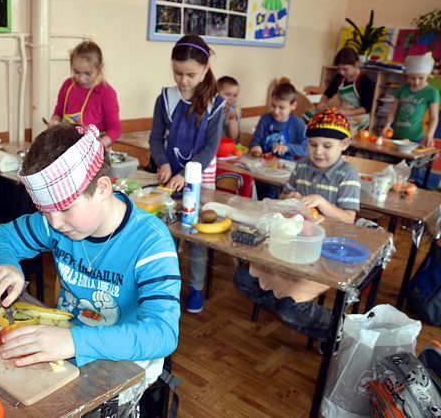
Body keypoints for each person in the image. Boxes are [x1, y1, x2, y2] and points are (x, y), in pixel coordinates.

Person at [0, 123, 181, 402]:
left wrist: (73, 341)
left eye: (64, 208)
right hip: (65, 344)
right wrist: (6, 263)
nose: (55, 223)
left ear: (103, 188)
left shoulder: (150, 242)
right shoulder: (57, 223)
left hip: (126, 360)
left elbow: (162, 334)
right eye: (45, 211)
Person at [233, 109, 360, 343]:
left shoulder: (347, 173)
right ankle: (285, 305)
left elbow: (348, 219)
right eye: (312, 144)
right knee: (243, 278)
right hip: (292, 244)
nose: (318, 152)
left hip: (323, 252)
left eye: (327, 146)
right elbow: (284, 199)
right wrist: (289, 198)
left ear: (344, 145)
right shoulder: (301, 167)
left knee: (289, 308)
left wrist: (321, 202)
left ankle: (336, 329)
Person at [149, 34, 225, 313]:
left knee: (195, 236)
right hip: (169, 178)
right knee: (165, 231)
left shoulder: (216, 105)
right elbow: (156, 138)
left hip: (199, 179)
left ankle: (194, 288)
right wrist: (163, 162)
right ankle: (163, 286)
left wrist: (186, 174)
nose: (183, 80)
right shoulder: (166, 98)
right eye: (178, 73)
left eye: (191, 75)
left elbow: (209, 148)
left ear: (205, 69)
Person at [48, 40, 121, 147]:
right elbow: (58, 113)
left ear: (100, 67)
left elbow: (115, 130)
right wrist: (54, 121)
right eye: (76, 72)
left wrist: (97, 146)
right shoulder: (68, 86)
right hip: (67, 144)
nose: (82, 78)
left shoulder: (106, 93)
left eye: (88, 73)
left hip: (94, 148)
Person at [384, 52, 439, 147]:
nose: (416, 82)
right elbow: (393, 110)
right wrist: (388, 124)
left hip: (416, 137)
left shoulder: (431, 92)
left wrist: (429, 135)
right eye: (412, 78)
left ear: (427, 76)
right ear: (407, 76)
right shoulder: (402, 88)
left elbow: (434, 117)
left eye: (421, 78)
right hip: (396, 134)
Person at [315, 47, 375, 130]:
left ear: (356, 64)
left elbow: (366, 108)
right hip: (344, 112)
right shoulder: (339, 77)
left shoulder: (365, 81)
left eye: (345, 69)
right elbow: (328, 93)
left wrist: (346, 113)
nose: (342, 73)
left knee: (334, 128)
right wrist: (323, 101)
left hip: (360, 118)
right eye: (339, 69)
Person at [250, 82, 307, 161]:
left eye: (281, 107)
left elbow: (306, 149)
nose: (276, 111)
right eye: (273, 106)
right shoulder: (265, 119)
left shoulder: (298, 124)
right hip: (263, 161)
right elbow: (255, 140)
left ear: (293, 106)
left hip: (286, 165)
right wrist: (255, 147)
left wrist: (287, 147)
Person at [217, 76, 241, 141]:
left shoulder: (236, 109)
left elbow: (233, 137)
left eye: (235, 95)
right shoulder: (212, 108)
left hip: (228, 144)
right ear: (217, 94)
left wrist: (232, 119)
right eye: (228, 94)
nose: (232, 99)